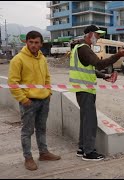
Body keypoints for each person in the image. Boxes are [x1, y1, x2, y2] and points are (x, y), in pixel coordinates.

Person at [69, 25, 124, 161]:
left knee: (85, 120)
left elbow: (91, 69)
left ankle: (82, 148)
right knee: (90, 121)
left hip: (83, 89)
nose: (98, 38)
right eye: (97, 35)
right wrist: (118, 55)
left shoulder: (78, 48)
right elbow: (99, 64)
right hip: (85, 90)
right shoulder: (84, 49)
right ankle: (89, 152)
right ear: (90, 34)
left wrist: (105, 77)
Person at [7, 31, 61, 171]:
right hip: (29, 101)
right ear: (26, 42)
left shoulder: (42, 58)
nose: (33, 45)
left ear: (41, 44)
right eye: (31, 42)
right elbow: (13, 83)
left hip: (44, 100)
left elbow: (47, 77)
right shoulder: (18, 59)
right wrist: (23, 99)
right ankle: (28, 158)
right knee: (27, 131)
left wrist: (48, 92)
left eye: (36, 42)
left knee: (42, 128)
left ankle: (44, 153)